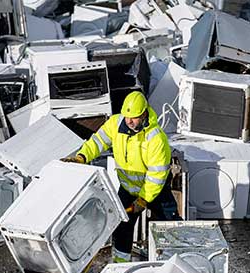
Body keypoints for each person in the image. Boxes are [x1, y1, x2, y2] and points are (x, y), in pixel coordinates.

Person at [62, 91, 180, 262]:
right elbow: (98, 141)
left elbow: (157, 176)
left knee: (169, 225)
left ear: (144, 113)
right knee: (122, 226)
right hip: (127, 188)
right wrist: (82, 157)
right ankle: (120, 264)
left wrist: (143, 200)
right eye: (126, 116)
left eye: (134, 117)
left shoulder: (156, 139)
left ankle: (175, 262)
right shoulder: (116, 124)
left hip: (155, 192)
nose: (129, 121)